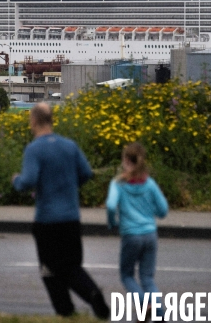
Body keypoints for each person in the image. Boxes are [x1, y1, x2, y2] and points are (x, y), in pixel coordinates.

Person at [12, 102, 109, 319]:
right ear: (52, 120)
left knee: (49, 269)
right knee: (72, 265)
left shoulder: (35, 149)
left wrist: (16, 181)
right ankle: (92, 293)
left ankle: (66, 310)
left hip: (47, 220)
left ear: (34, 121)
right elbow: (85, 173)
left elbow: (28, 181)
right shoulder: (70, 146)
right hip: (71, 218)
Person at [106, 142, 169, 318]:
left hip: (131, 235)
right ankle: (160, 316)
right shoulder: (149, 183)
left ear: (126, 160)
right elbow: (163, 210)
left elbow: (111, 205)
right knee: (147, 278)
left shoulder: (118, 183)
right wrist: (151, 212)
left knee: (126, 275)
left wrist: (112, 222)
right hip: (150, 234)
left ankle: (143, 303)